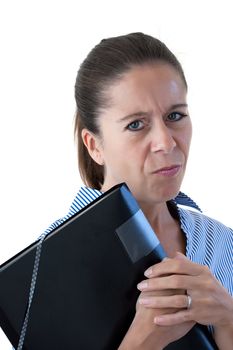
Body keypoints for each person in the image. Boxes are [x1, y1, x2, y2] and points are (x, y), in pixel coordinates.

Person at [47, 32, 233, 349]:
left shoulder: (222, 243)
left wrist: (228, 320)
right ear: (95, 146)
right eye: (136, 124)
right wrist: (141, 342)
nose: (166, 142)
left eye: (175, 116)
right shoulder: (46, 266)